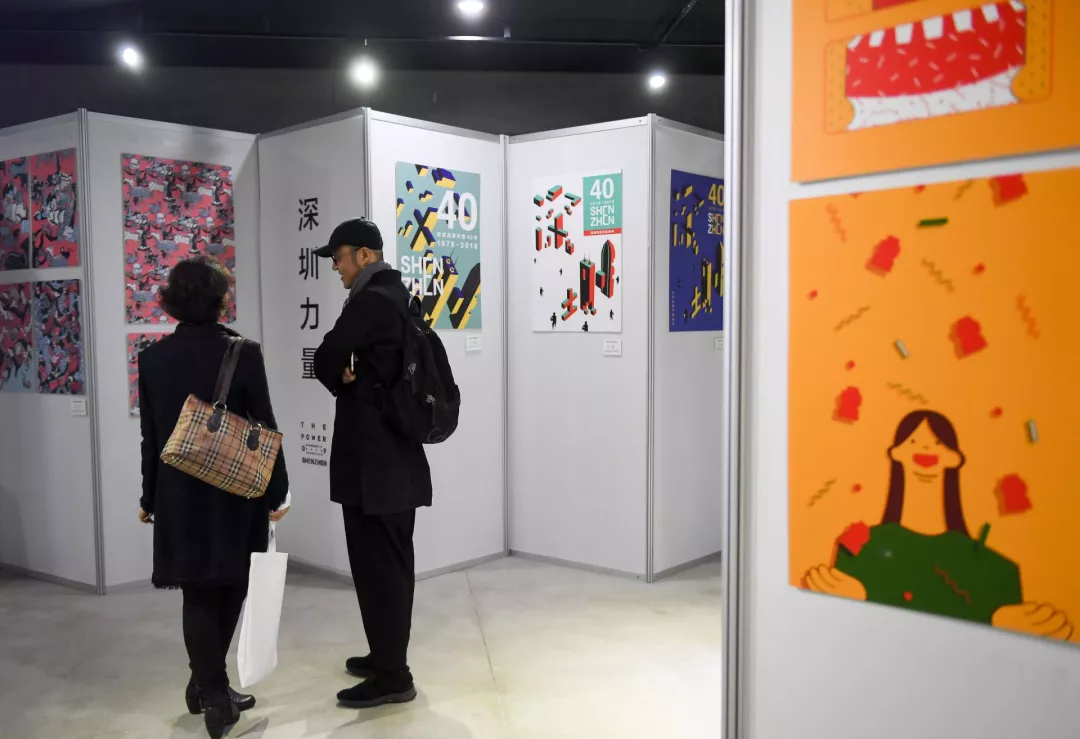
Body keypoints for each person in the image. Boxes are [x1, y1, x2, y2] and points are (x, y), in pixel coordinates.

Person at [137, 256, 291, 739]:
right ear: (219, 300)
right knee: (231, 586)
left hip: (179, 494)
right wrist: (278, 491)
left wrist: (149, 496)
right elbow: (265, 428)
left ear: (172, 301)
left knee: (199, 592)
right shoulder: (243, 353)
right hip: (237, 493)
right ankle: (215, 695)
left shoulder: (153, 358)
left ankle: (205, 685)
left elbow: (152, 438)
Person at [802, 410, 1072, 639]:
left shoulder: (996, 569)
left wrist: (1003, 619)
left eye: (937, 442)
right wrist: (849, 598)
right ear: (897, 454)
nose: (926, 449)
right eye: (914, 440)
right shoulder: (863, 549)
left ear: (954, 458)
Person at [312, 217, 431, 709]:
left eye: (339, 258)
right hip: (396, 460)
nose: (335, 267)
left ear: (364, 255)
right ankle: (386, 656)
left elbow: (325, 357)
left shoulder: (370, 301)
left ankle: (393, 675)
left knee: (379, 568)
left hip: (374, 466)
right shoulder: (399, 296)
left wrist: (341, 371)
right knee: (390, 564)